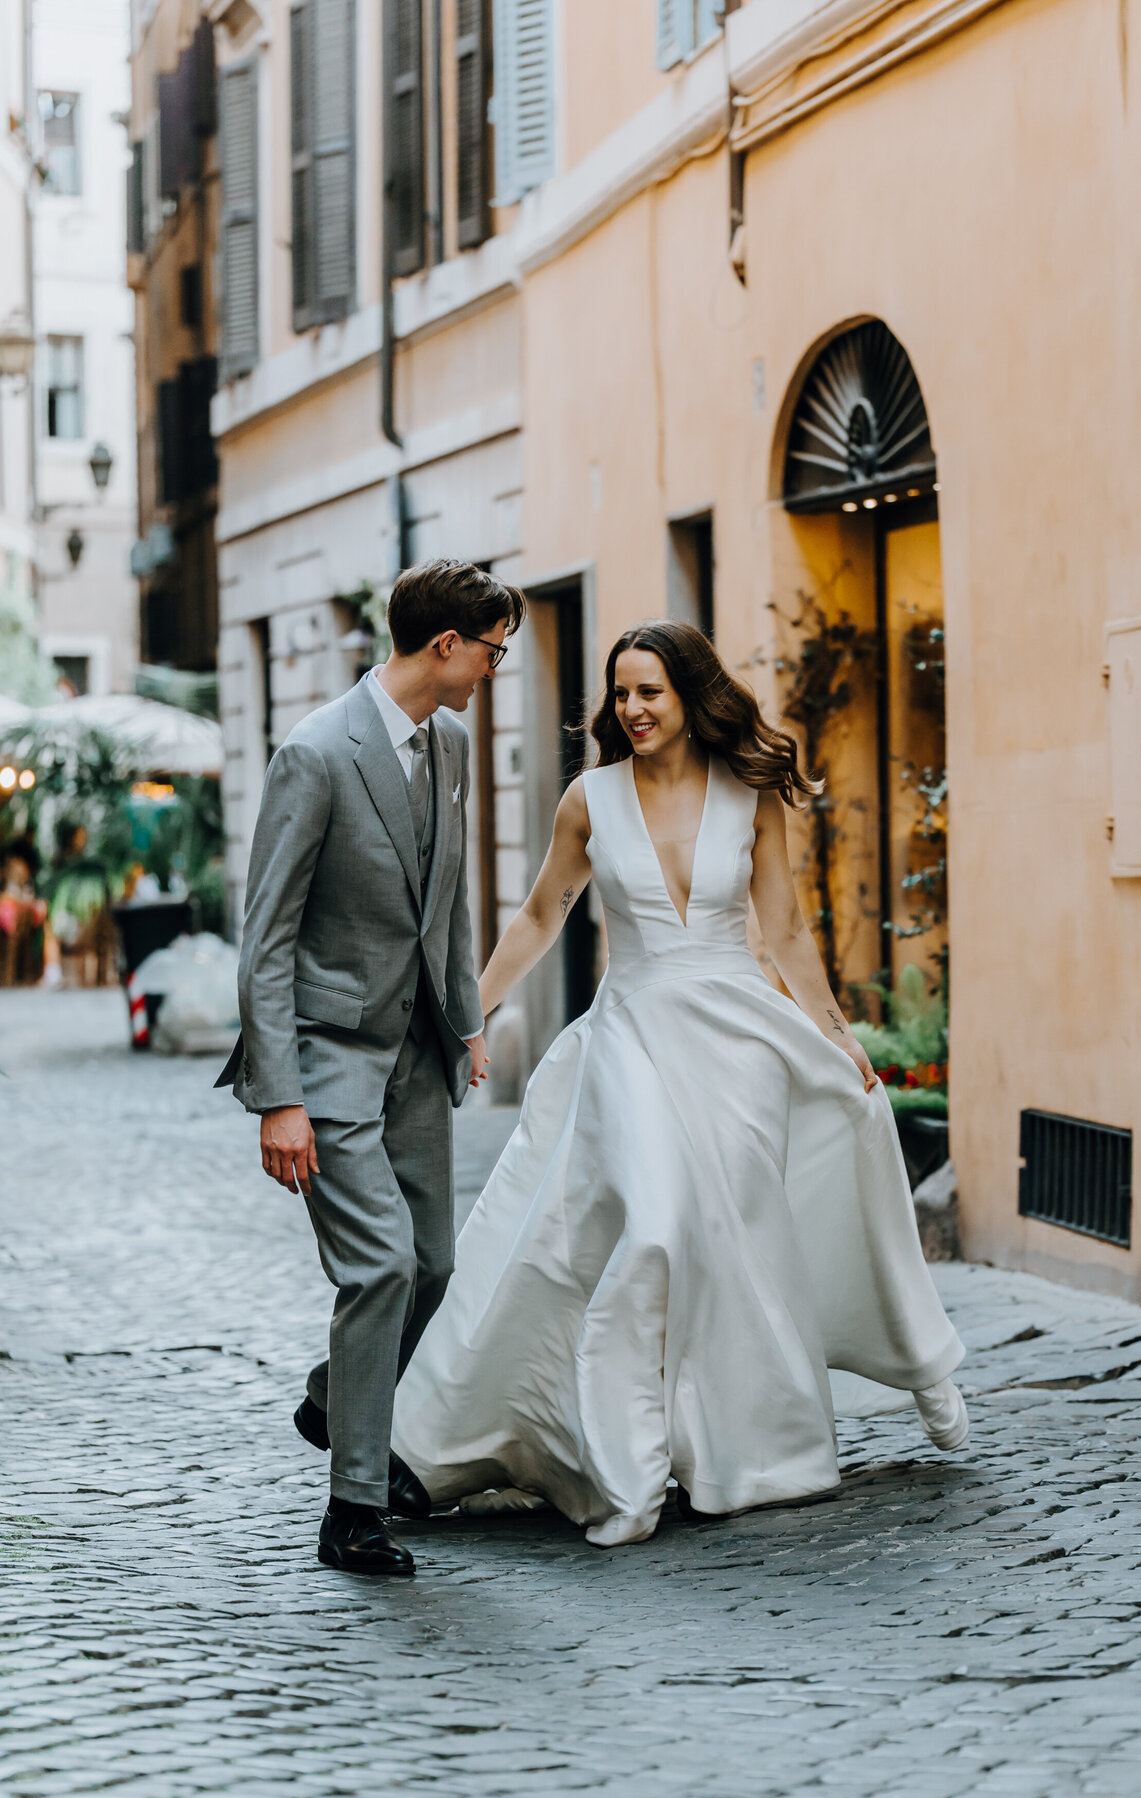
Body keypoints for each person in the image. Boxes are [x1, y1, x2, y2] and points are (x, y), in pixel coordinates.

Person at [391, 620, 968, 1547]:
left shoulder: (750, 793)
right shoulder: (591, 799)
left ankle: (737, 1449)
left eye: (650, 691)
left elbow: (783, 930)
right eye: (621, 694)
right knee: (655, 1225)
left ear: (692, 696)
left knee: (734, 1233)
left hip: (736, 1038)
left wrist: (834, 1030)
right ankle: (628, 1460)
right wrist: (475, 1012)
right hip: (631, 1031)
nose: (633, 709)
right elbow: (543, 915)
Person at [217, 558, 525, 1577]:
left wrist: (467, 1018)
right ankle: (352, 1513)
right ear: (445, 646)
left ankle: (329, 1393)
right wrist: (279, 1098)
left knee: (432, 1267)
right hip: (330, 1057)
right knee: (380, 1265)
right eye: (490, 649)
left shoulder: (451, 744)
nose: (494, 666)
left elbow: (452, 894)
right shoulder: (315, 753)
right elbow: (266, 936)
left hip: (417, 1059)